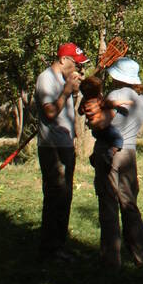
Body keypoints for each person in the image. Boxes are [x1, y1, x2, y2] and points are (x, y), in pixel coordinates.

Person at [92, 56, 143, 268]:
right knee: (129, 204)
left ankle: (111, 260)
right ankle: (142, 256)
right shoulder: (141, 99)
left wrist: (92, 110)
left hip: (110, 153)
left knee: (108, 204)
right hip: (129, 152)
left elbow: (101, 124)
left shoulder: (115, 95)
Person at [34, 41, 88, 262]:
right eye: (76, 64)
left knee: (65, 195)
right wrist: (67, 91)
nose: (77, 69)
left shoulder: (63, 79)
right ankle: (50, 247)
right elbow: (49, 113)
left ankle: (60, 244)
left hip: (65, 144)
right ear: (64, 60)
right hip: (52, 147)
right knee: (55, 194)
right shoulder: (46, 78)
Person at [78, 73, 126, 166]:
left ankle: (95, 155)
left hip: (95, 131)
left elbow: (80, 111)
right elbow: (109, 104)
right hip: (104, 128)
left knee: (101, 140)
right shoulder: (98, 99)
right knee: (118, 139)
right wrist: (123, 102)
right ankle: (110, 153)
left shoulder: (84, 100)